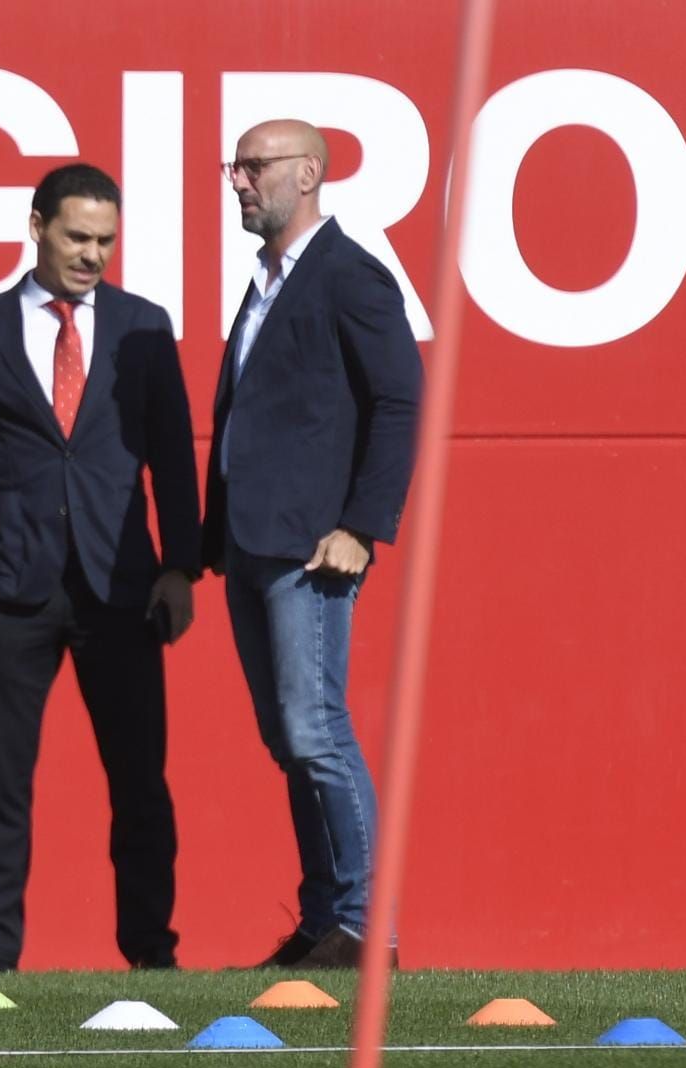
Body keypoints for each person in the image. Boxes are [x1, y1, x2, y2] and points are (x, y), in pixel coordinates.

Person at [0, 163, 200, 972]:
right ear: (37, 225)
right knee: (0, 780)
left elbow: (173, 460)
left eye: (105, 241)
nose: (92, 255)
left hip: (122, 590)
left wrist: (181, 567)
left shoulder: (143, 327)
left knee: (140, 783)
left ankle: (152, 952)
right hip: (11, 588)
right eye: (77, 237)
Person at [204, 120, 423, 969]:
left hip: (311, 550)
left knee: (317, 729)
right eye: (235, 167)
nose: (239, 182)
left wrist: (362, 528)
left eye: (254, 167)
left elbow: (400, 401)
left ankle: (368, 929)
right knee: (288, 739)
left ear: (306, 173)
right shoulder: (267, 281)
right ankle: (324, 919)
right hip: (253, 547)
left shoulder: (348, 276)